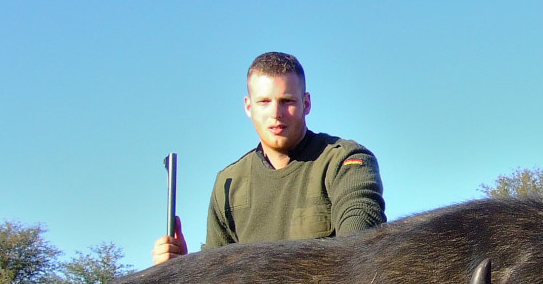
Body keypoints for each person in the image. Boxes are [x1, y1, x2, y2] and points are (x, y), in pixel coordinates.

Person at [152, 53, 385, 264]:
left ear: (306, 104)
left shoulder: (346, 162)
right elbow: (214, 279)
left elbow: (358, 255)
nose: (276, 113)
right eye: (264, 102)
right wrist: (181, 270)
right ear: (248, 106)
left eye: (287, 101)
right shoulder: (228, 183)